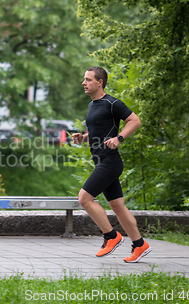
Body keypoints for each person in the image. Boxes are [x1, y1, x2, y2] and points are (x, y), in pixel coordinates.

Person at [72, 67, 151, 263]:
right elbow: (98, 132)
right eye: (84, 79)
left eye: (88, 79)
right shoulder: (92, 105)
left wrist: (119, 138)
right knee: (117, 205)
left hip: (110, 161)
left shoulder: (112, 103)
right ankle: (140, 244)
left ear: (100, 82)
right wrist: (83, 138)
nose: (84, 83)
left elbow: (135, 120)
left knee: (84, 198)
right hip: (101, 160)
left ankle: (111, 236)